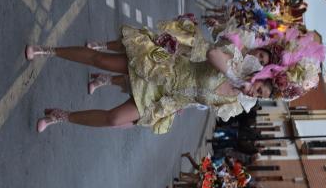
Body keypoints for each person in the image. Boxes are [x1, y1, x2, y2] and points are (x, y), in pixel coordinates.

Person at [25, 17, 276, 134]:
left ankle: (59, 116)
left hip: (163, 99)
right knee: (101, 60)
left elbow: (198, 100)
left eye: (261, 95)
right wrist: (234, 75)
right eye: (260, 87)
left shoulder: (234, 104)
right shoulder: (237, 62)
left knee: (114, 119)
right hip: (162, 68)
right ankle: (47, 50)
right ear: (260, 75)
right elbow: (211, 54)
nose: (256, 93)